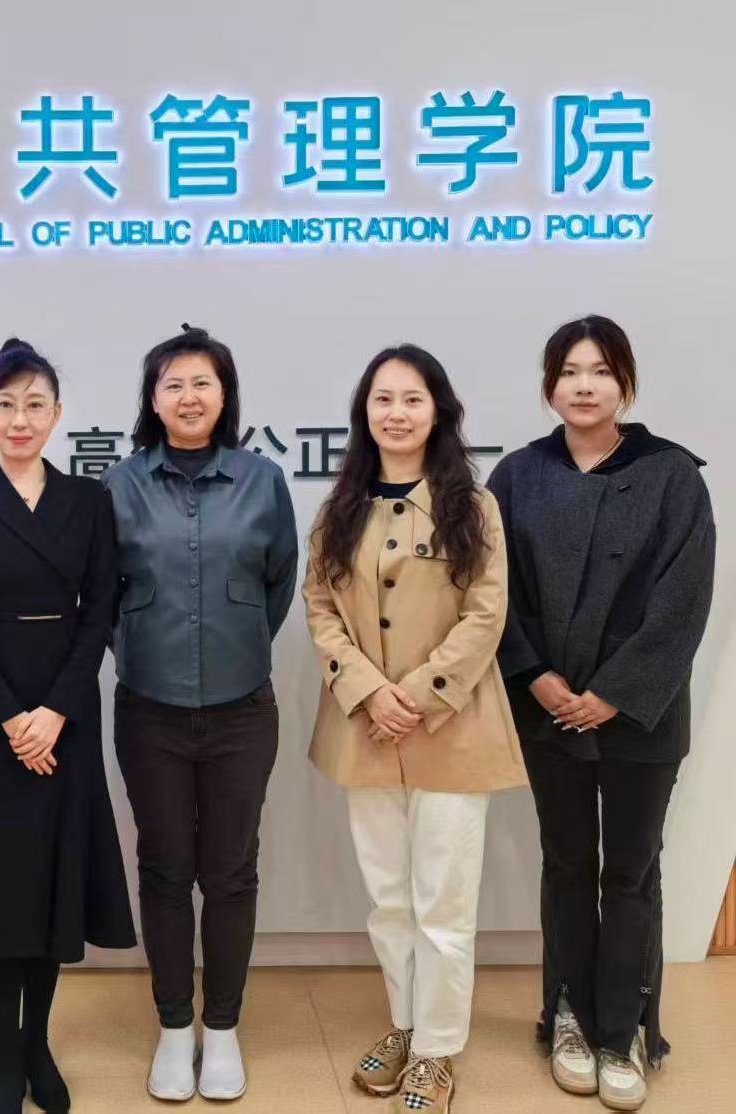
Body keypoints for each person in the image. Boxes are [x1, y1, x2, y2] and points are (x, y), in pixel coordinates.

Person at [487, 315, 715, 1112]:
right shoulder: (517, 475)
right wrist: (533, 676)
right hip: (546, 710)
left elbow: (682, 602)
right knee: (564, 864)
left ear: (625, 382)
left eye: (600, 371)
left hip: (640, 716)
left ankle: (626, 1031)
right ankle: (566, 1019)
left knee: (629, 873)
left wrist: (614, 691)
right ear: (548, 385)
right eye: (568, 372)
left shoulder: (670, 475)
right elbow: (490, 591)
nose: (583, 386)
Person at [304, 344, 526, 1114]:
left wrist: (419, 693)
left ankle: (436, 1050)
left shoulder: (472, 507)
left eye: (411, 399)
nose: (395, 413)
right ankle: (403, 1024)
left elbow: (485, 613)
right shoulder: (338, 509)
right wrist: (369, 693)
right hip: (366, 730)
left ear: (438, 411)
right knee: (389, 901)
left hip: (450, 729)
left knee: (442, 905)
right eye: (381, 399)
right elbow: (320, 611)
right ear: (363, 412)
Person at [0, 338, 136, 1114]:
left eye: (35, 404)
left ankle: (38, 1043)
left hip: (65, 707)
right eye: (6, 404)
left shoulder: (88, 499)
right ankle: (5, 1058)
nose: (20, 419)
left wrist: (53, 711)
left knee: (50, 880)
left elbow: (99, 610)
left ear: (56, 415)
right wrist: (13, 717)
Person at [101, 324, 299, 1102]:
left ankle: (221, 1028)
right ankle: (172, 1025)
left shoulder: (262, 480)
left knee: (230, 870)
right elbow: (102, 594)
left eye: (202, 383)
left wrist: (231, 646)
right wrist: (143, 648)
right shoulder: (119, 484)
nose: (188, 397)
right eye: (173, 384)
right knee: (162, 867)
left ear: (225, 396)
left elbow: (277, 583)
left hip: (242, 710)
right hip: (147, 709)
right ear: (153, 400)